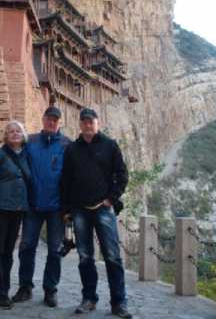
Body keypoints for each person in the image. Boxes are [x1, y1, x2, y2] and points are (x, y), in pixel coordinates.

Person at [61, 108, 132, 319]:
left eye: (90, 121)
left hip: (103, 209)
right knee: (84, 257)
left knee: (112, 257)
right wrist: (66, 210)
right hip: (80, 210)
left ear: (97, 123)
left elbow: (122, 174)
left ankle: (119, 302)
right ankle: (89, 298)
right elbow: (65, 180)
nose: (87, 125)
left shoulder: (110, 145)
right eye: (84, 121)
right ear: (80, 124)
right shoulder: (72, 149)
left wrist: (111, 198)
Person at [12, 106, 71, 307]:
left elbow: (74, 174)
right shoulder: (32, 142)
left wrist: (70, 208)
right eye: (49, 119)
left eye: (55, 120)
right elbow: (14, 157)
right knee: (27, 246)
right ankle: (25, 287)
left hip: (56, 207)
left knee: (54, 250)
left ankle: (50, 290)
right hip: (33, 204)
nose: (51, 122)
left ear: (59, 122)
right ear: (43, 119)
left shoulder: (66, 145)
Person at [0, 120, 31, 309]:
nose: (15, 133)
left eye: (18, 130)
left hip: (17, 210)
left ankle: (5, 288)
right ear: (6, 135)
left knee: (9, 252)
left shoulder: (27, 154)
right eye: (11, 131)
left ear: (24, 134)